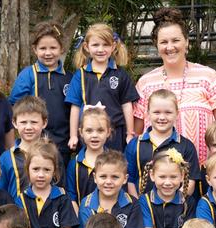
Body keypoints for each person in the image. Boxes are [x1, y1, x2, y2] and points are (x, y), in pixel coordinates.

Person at [133, 7, 216, 164]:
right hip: (160, 178)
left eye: (176, 40)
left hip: (205, 172)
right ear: (156, 45)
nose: (170, 47)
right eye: (164, 42)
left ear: (186, 41)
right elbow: (137, 135)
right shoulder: (145, 83)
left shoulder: (208, 77)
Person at [66, 23, 139, 152]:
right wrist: (73, 135)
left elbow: (127, 105)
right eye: (95, 45)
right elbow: (75, 106)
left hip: (116, 134)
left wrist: (130, 133)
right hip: (90, 133)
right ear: (86, 47)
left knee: (114, 167)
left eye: (105, 45)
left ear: (113, 46)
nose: (101, 49)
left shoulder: (120, 74)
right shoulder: (80, 75)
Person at [9, 21, 73, 166]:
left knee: (59, 183)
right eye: (43, 48)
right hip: (34, 146)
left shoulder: (70, 78)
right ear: (34, 49)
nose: (48, 53)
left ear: (61, 48)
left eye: (53, 48)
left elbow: (74, 110)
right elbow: (15, 106)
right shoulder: (28, 75)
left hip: (62, 146)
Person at [126, 89, 200, 198]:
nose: (162, 117)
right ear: (148, 113)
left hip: (177, 209)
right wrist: (138, 205)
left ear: (177, 114)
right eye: (156, 112)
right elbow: (129, 180)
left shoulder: (186, 146)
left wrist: (172, 203)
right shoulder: (135, 144)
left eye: (168, 112)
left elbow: (190, 182)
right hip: (142, 210)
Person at [0, 96, 65, 201]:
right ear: (14, 123)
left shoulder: (53, 154)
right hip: (16, 214)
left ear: (44, 123)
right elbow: (0, 193)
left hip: (47, 212)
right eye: (23, 122)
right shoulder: (6, 158)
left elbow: (61, 187)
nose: (28, 127)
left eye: (34, 122)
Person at [66, 107, 111, 212]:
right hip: (83, 223)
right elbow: (71, 197)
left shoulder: (114, 163)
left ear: (108, 132)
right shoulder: (74, 164)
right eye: (89, 131)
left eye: (100, 130)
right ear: (81, 132)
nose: (94, 135)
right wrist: (80, 222)